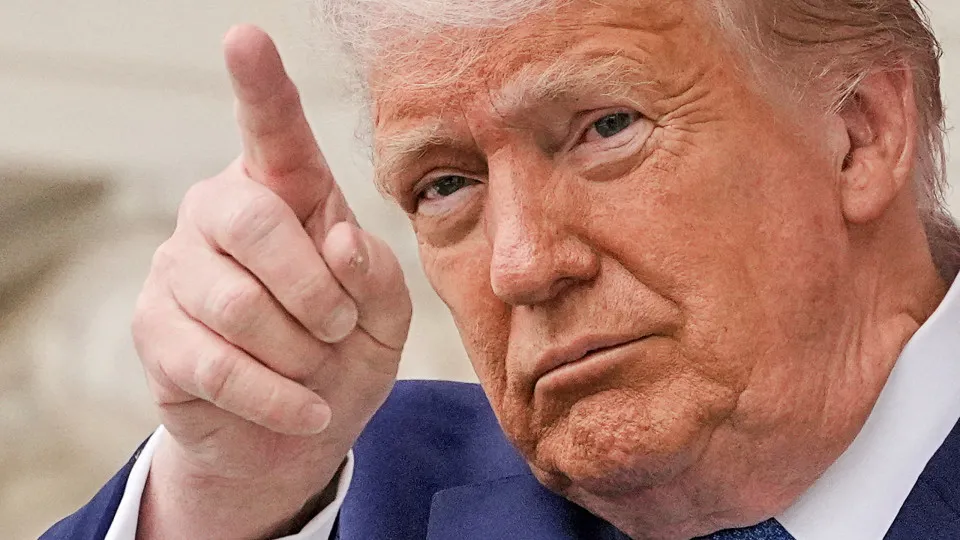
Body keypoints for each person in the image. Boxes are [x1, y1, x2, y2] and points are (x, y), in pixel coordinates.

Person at [41, 0, 960, 538]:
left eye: (607, 128)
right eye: (446, 185)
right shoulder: (349, 491)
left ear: (859, 133)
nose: (521, 265)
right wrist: (226, 496)